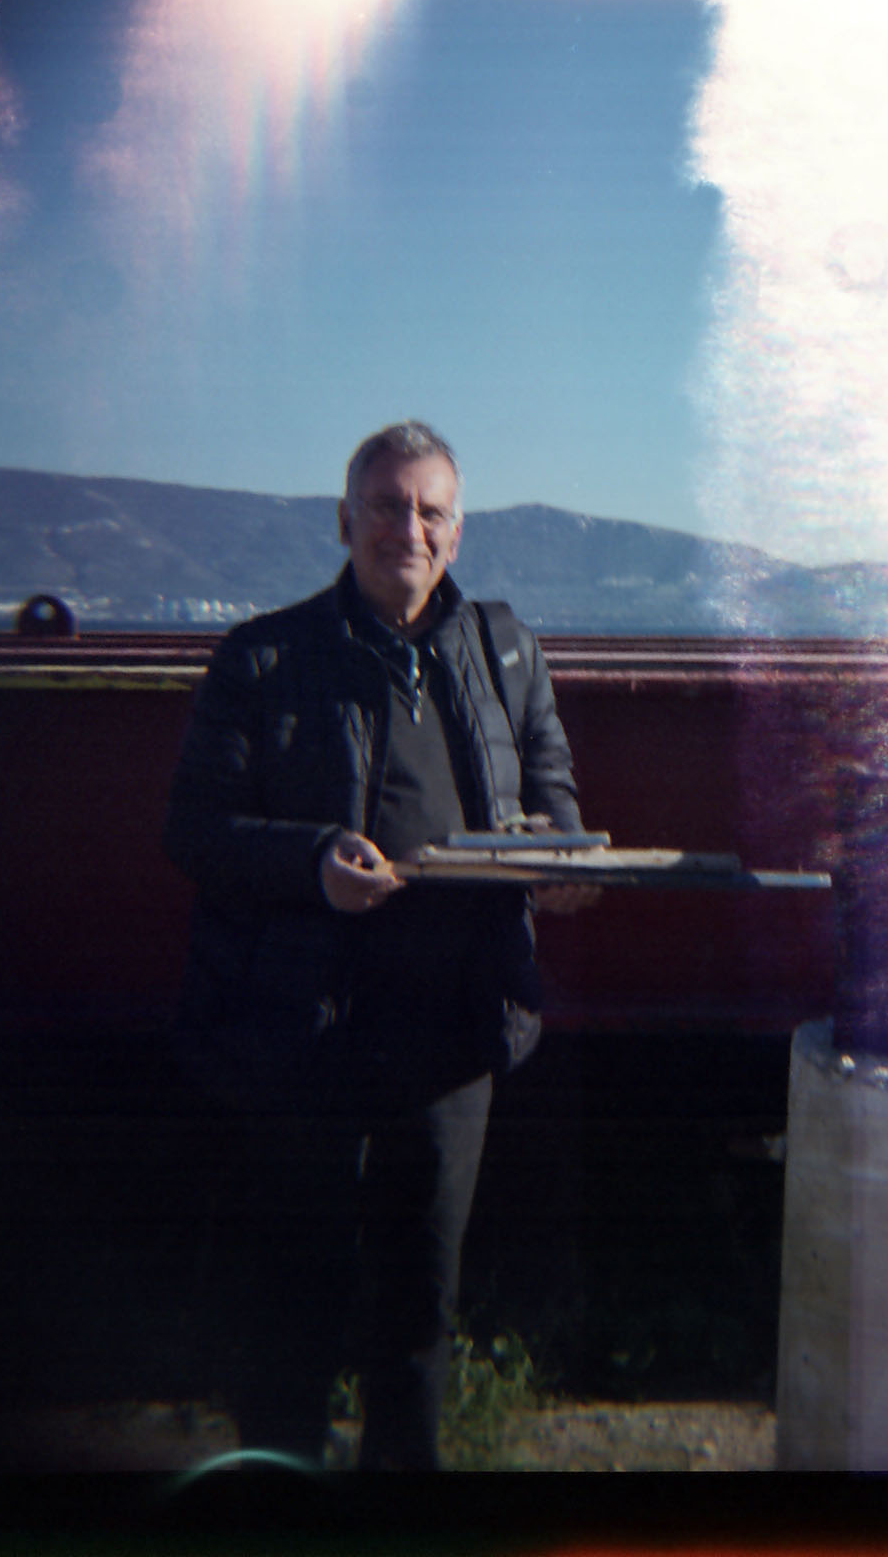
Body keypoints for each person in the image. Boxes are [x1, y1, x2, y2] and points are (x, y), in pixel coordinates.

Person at [164, 420, 585, 1469]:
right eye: (389, 506)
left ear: (458, 531)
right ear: (344, 520)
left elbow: (555, 804)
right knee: (292, 1311)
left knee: (419, 1313)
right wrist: (312, 862)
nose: (411, 528)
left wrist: (565, 867)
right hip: (306, 1036)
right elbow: (194, 831)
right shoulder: (262, 656)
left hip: (452, 1039)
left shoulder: (507, 652)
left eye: (431, 511)